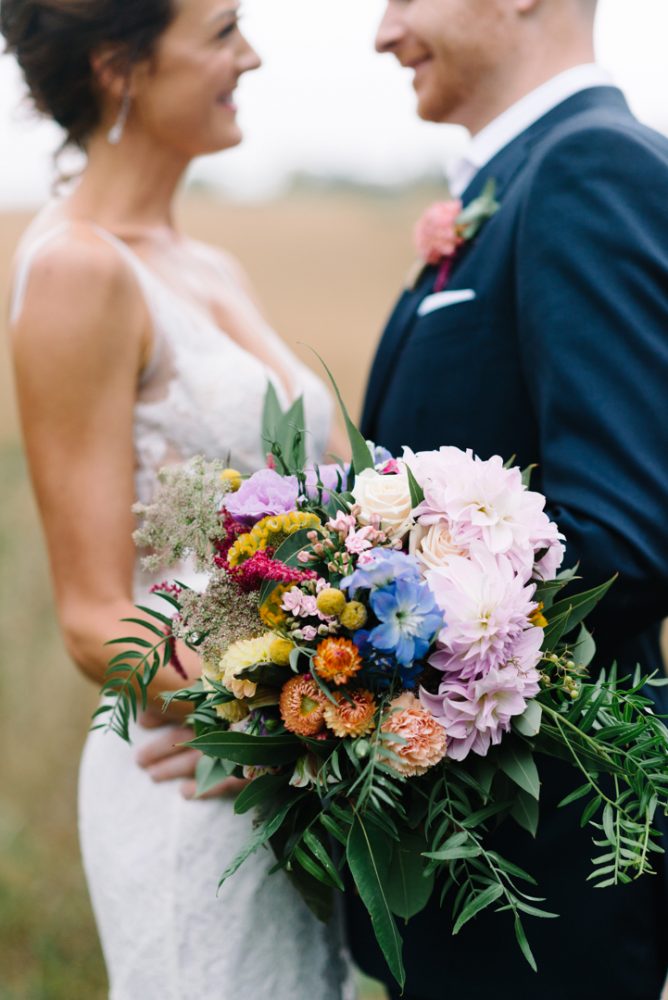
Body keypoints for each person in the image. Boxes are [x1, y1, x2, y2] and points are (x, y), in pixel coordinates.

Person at [1, 1, 354, 997]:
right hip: (193, 776)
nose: (251, 55)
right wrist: (272, 725)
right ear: (120, 67)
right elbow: (92, 617)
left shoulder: (209, 264)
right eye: (221, 33)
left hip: (280, 778)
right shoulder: (77, 271)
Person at [348, 1, 668, 998]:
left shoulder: (588, 168)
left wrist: (346, 623)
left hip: (544, 876)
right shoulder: (516, 180)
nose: (383, 31)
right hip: (466, 887)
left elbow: (620, 533)